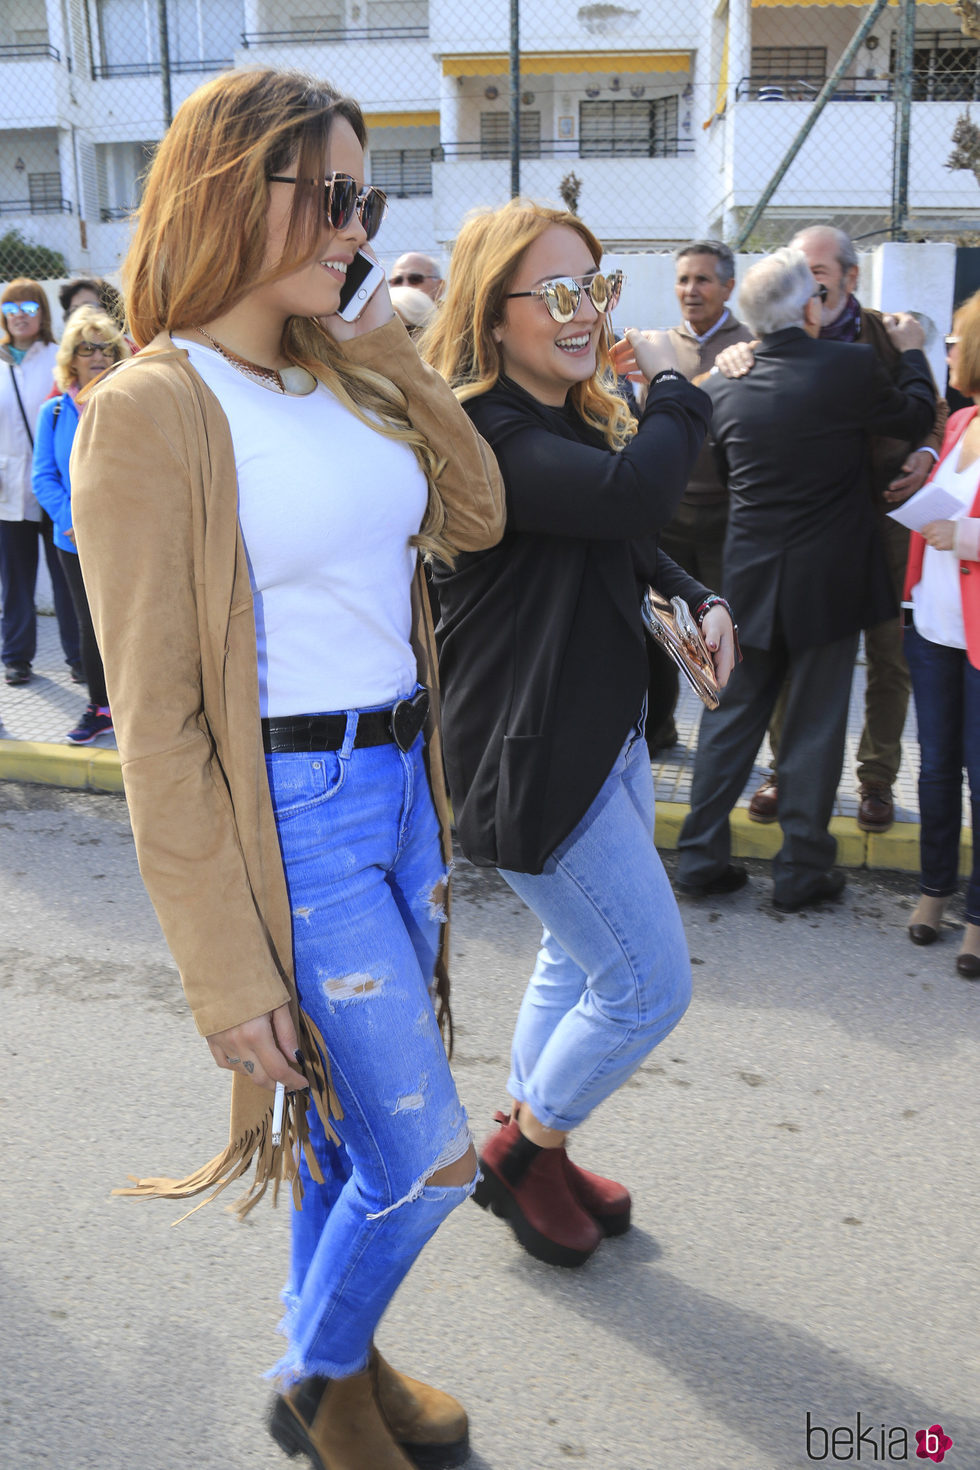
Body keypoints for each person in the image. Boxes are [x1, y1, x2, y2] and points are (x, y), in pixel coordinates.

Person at [70, 68, 504, 1470]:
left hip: (398, 792)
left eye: (363, 201)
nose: (353, 227)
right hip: (294, 813)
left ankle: (343, 1367)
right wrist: (225, 969)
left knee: (343, 1135)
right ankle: (314, 1376)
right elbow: (156, 717)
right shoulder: (152, 406)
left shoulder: (332, 368)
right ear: (227, 190)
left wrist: (390, 350)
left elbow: (478, 511)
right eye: (329, 196)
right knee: (431, 1157)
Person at [421, 199, 735, 1268]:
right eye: (557, 292)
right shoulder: (484, 432)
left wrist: (697, 595)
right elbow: (625, 492)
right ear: (490, 310)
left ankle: (538, 1141)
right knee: (647, 984)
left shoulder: (564, 415)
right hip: (531, 755)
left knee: (577, 954)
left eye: (597, 288)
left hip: (598, 736)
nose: (585, 311)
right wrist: (678, 389)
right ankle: (523, 1148)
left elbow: (623, 539)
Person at [675, 249, 935, 911]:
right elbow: (909, 417)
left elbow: (726, 478)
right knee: (816, 726)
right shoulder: (848, 367)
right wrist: (908, 350)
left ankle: (701, 856)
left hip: (750, 576)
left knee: (729, 720)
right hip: (829, 579)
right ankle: (801, 871)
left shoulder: (725, 385)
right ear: (809, 307)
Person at [733, 226, 947, 833]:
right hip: (812, 526)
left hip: (883, 514)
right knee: (792, 652)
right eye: (802, 267)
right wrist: (733, 354)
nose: (810, 276)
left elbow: (930, 408)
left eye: (821, 268)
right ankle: (787, 773)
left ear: (851, 277)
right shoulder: (774, 332)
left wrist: (927, 457)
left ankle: (876, 781)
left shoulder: (890, 332)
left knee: (888, 654)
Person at [645, 239, 754, 752]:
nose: (691, 290)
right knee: (660, 630)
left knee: (723, 633)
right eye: (684, 279)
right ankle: (659, 732)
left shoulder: (749, 345)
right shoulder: (657, 345)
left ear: (729, 286)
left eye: (703, 279)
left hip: (728, 516)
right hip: (668, 513)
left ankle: (722, 749)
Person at [903, 296, 980, 980]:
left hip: (978, 639)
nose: (947, 352)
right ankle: (933, 891)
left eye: (954, 341)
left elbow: (963, 527)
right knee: (933, 769)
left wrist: (967, 536)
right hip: (932, 625)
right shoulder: (960, 420)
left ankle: (978, 918)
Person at [31, 305, 130, 743]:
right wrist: (72, 520)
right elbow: (42, 476)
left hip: (126, 539)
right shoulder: (52, 412)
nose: (98, 356)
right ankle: (101, 707)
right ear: (71, 356)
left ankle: (138, 707)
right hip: (74, 541)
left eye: (106, 347)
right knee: (92, 625)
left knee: (133, 624)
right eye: (87, 347)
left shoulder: (129, 403)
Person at [0, 278, 80, 686]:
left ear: (42, 314)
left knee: (67, 580)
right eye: (11, 307)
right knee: (15, 582)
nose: (19, 315)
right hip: (7, 494)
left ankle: (79, 658)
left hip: (53, 491)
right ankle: (16, 657)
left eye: (28, 307)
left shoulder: (56, 358)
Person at [58, 275, 126, 328]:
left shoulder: (126, 346)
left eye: (88, 307)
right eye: (74, 310)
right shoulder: (67, 346)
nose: (80, 315)